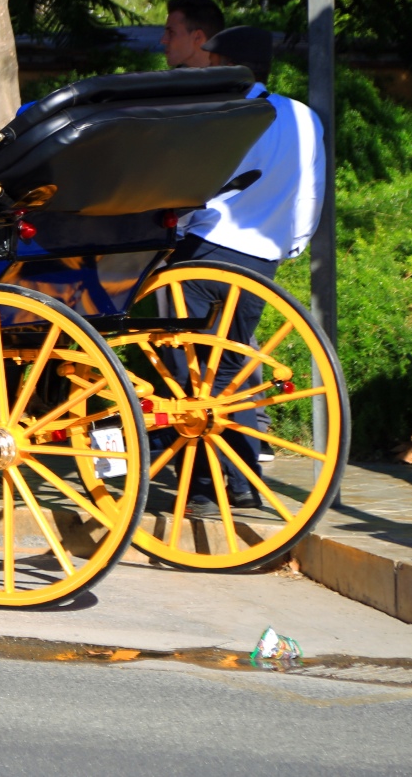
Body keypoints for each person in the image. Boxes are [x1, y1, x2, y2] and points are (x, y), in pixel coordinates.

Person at [166, 25, 325, 511]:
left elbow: (197, 185)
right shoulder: (302, 117)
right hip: (261, 262)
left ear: (224, 65)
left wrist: (178, 232)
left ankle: (202, 484)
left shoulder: (227, 113)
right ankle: (241, 479)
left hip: (204, 251)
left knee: (186, 375)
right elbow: (311, 192)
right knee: (231, 372)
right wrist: (288, 245)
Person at [161, 0, 226, 70]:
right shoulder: (175, 79)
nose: (163, 40)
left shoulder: (237, 78)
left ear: (197, 37)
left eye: (171, 32)